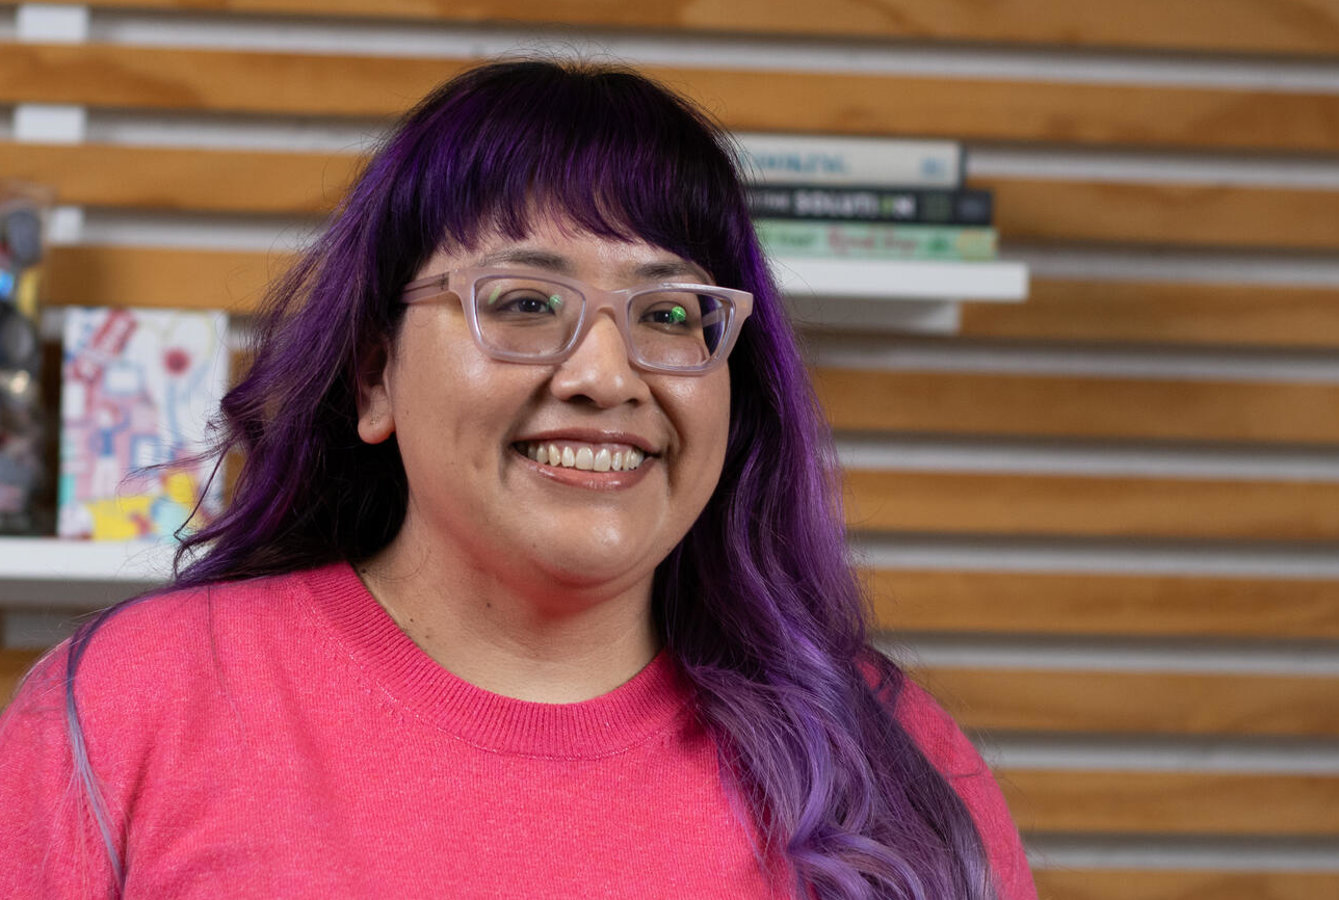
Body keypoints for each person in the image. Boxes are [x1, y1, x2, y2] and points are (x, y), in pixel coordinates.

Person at [0, 59, 1036, 899]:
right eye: (526, 303)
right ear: (374, 376)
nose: (605, 376)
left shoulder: (896, 765)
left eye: (669, 314)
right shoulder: (128, 713)